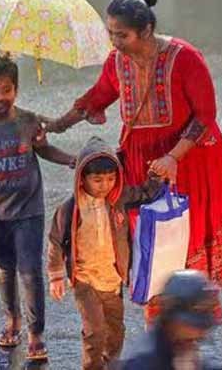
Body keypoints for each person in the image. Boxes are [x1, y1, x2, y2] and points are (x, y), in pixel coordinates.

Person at [44, 0, 222, 325]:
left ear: (146, 30)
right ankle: (160, 314)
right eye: (111, 34)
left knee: (185, 233)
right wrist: (56, 125)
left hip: (189, 160)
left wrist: (173, 157)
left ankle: (194, 315)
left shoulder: (185, 57)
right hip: (141, 163)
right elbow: (97, 97)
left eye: (122, 35)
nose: (115, 41)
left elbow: (205, 115)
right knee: (149, 238)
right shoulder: (117, 62)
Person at [0, 56, 75, 361]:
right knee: (4, 270)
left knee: (30, 272)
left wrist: (72, 160)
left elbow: (45, 149)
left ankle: (36, 334)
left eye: (6, 90)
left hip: (28, 211)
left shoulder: (28, 121)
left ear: (16, 90)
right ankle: (13, 320)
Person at [47, 136, 163, 370]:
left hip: (112, 280)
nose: (105, 185)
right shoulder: (70, 208)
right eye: (97, 180)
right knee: (95, 330)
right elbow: (56, 241)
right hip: (84, 279)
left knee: (116, 329)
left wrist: (157, 177)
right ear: (82, 179)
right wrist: (56, 275)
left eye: (111, 179)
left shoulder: (117, 199)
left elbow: (145, 193)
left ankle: (110, 364)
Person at [117, 270, 222, 370]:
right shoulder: (144, 361)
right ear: (172, 319)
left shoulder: (183, 342)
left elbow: (208, 362)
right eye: (193, 323)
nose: (201, 332)